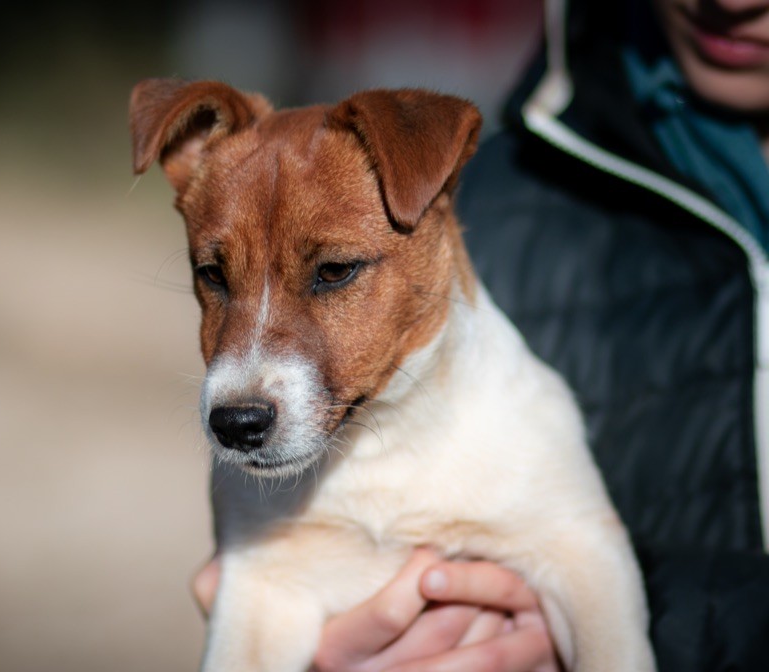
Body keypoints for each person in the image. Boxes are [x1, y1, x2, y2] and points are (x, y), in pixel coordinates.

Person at [193, 0, 769, 669]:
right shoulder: (510, 190)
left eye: (333, 272)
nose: (245, 373)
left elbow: (581, 554)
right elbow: (268, 597)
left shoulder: (518, 416)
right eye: (215, 276)